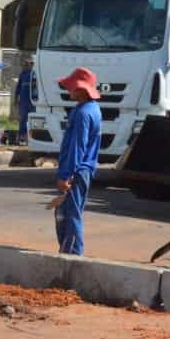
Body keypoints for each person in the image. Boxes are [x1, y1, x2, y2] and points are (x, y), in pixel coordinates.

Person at [54, 67, 102, 255]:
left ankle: (73, 256)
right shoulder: (90, 109)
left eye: (72, 87)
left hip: (76, 172)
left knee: (70, 216)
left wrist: (66, 175)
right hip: (81, 170)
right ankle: (68, 251)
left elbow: (77, 147)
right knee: (67, 213)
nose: (69, 90)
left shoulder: (83, 113)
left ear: (81, 89)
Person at [13, 56, 36, 144]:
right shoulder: (22, 74)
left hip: (33, 101)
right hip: (23, 101)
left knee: (32, 120)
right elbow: (18, 87)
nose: (25, 66)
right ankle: (22, 137)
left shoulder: (35, 74)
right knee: (22, 119)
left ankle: (31, 138)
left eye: (27, 64)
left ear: (32, 65)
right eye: (25, 64)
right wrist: (15, 99)